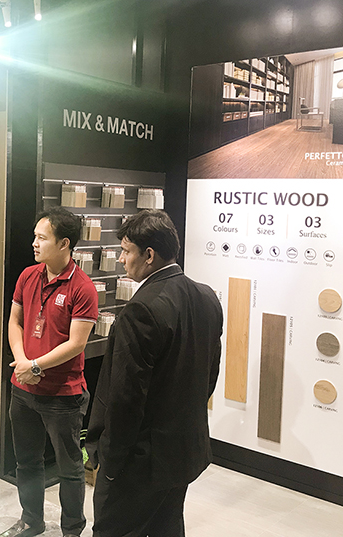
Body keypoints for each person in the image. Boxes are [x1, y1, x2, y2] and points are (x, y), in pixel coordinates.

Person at [85, 210, 223, 537]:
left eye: (126, 251)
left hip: (140, 461)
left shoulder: (141, 309)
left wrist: (110, 461)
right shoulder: (207, 297)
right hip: (183, 450)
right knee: (167, 526)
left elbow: (125, 397)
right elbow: (210, 374)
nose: (121, 259)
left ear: (149, 255)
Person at [0, 207, 99, 537]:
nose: (34, 243)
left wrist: (36, 365)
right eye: (35, 237)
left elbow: (77, 343)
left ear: (64, 243)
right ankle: (32, 521)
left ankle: (72, 529)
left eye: (42, 238)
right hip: (23, 388)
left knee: (70, 468)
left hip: (62, 395)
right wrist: (22, 362)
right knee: (27, 462)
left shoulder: (83, 287)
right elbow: (14, 322)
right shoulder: (28, 276)